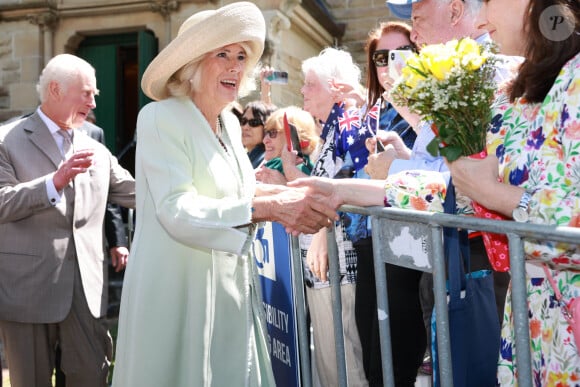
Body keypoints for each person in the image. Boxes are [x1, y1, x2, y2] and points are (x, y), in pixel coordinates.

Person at [110, 3, 338, 386]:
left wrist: (309, 190)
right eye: (222, 55)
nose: (235, 66)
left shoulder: (230, 125)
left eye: (241, 56)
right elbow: (176, 209)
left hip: (229, 290)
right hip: (176, 291)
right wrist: (269, 206)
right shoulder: (160, 117)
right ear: (194, 64)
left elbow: (244, 190)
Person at [448, 0, 579, 385]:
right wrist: (343, 192)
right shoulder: (527, 87)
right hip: (537, 321)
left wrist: (500, 197)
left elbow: (496, 191)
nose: (480, 19)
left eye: (487, 1)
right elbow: (472, 185)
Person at [0, 53, 136, 387]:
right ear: (56, 90)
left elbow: (138, 192)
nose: (93, 102)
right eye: (86, 93)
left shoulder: (94, 147)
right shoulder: (6, 139)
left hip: (86, 293)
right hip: (27, 289)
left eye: (95, 94)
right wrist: (53, 183)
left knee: (92, 377)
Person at [348, 21, 426, 387]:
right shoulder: (371, 111)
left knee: (399, 361)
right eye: (381, 56)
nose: (388, 64)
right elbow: (348, 170)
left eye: (400, 54)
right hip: (366, 237)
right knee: (374, 363)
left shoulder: (429, 103)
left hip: (407, 244)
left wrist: (396, 162)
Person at [300, 47, 369, 387]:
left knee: (341, 355)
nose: (302, 91)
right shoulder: (331, 128)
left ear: (334, 87)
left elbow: (351, 175)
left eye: (309, 84)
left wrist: (320, 233)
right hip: (327, 261)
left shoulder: (349, 119)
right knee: (329, 354)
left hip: (339, 259)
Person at [255, 105, 320, 184]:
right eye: (266, 133)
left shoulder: (302, 168)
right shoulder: (275, 162)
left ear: (295, 137)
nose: (265, 140)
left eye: (273, 133)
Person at [240, 100, 277, 168]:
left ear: (268, 128)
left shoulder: (266, 163)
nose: (245, 127)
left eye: (254, 122)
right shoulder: (246, 157)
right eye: (243, 121)